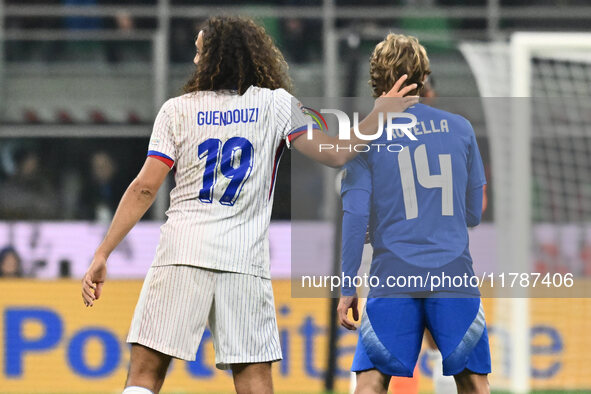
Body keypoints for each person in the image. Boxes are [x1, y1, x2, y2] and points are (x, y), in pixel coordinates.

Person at [81, 16, 417, 394]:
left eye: (198, 53)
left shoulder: (175, 111)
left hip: (181, 252)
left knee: (144, 377)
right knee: (254, 382)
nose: (194, 61)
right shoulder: (276, 105)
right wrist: (379, 115)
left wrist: (103, 252)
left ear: (214, 59)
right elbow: (336, 153)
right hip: (243, 261)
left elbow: (144, 189)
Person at [337, 34, 491, 394]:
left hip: (393, 275)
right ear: (423, 77)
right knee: (474, 384)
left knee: (371, 382)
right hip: (453, 273)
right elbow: (472, 213)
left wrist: (347, 287)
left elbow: (355, 216)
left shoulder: (365, 137)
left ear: (376, 80)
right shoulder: (461, 129)